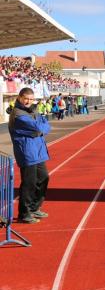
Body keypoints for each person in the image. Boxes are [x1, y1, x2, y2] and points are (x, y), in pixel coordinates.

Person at [9, 88, 51, 224]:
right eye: (26, 98)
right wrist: (40, 128)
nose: (28, 101)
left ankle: (34, 207)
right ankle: (24, 213)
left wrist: (40, 128)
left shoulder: (33, 110)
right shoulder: (18, 114)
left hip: (38, 150)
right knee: (29, 183)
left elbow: (46, 125)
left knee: (44, 178)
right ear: (20, 98)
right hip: (27, 152)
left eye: (31, 99)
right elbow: (40, 128)